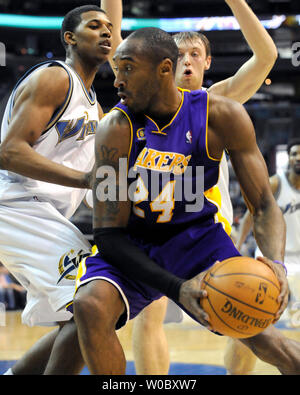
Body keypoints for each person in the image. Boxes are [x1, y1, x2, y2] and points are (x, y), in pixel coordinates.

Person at [69, 27, 300, 375]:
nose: (117, 81)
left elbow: (265, 205)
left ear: (164, 69)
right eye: (116, 70)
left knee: (265, 338)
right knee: (89, 306)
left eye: (128, 69)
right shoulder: (115, 127)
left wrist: (276, 264)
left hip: (196, 239)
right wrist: (177, 288)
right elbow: (107, 236)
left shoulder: (220, 115)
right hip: (133, 242)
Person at [0, 5, 113, 375]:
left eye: (110, 27)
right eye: (94, 26)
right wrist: (83, 180)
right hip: (14, 203)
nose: (106, 32)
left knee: (80, 317)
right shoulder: (55, 78)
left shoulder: (95, 106)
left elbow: (95, 181)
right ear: (70, 38)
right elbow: (9, 151)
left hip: (39, 212)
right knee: (96, 300)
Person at [224, 138, 300, 375]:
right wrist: (238, 244)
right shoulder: (277, 183)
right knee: (250, 321)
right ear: (288, 157)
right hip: (271, 259)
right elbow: (252, 214)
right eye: (295, 153)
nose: (298, 158)